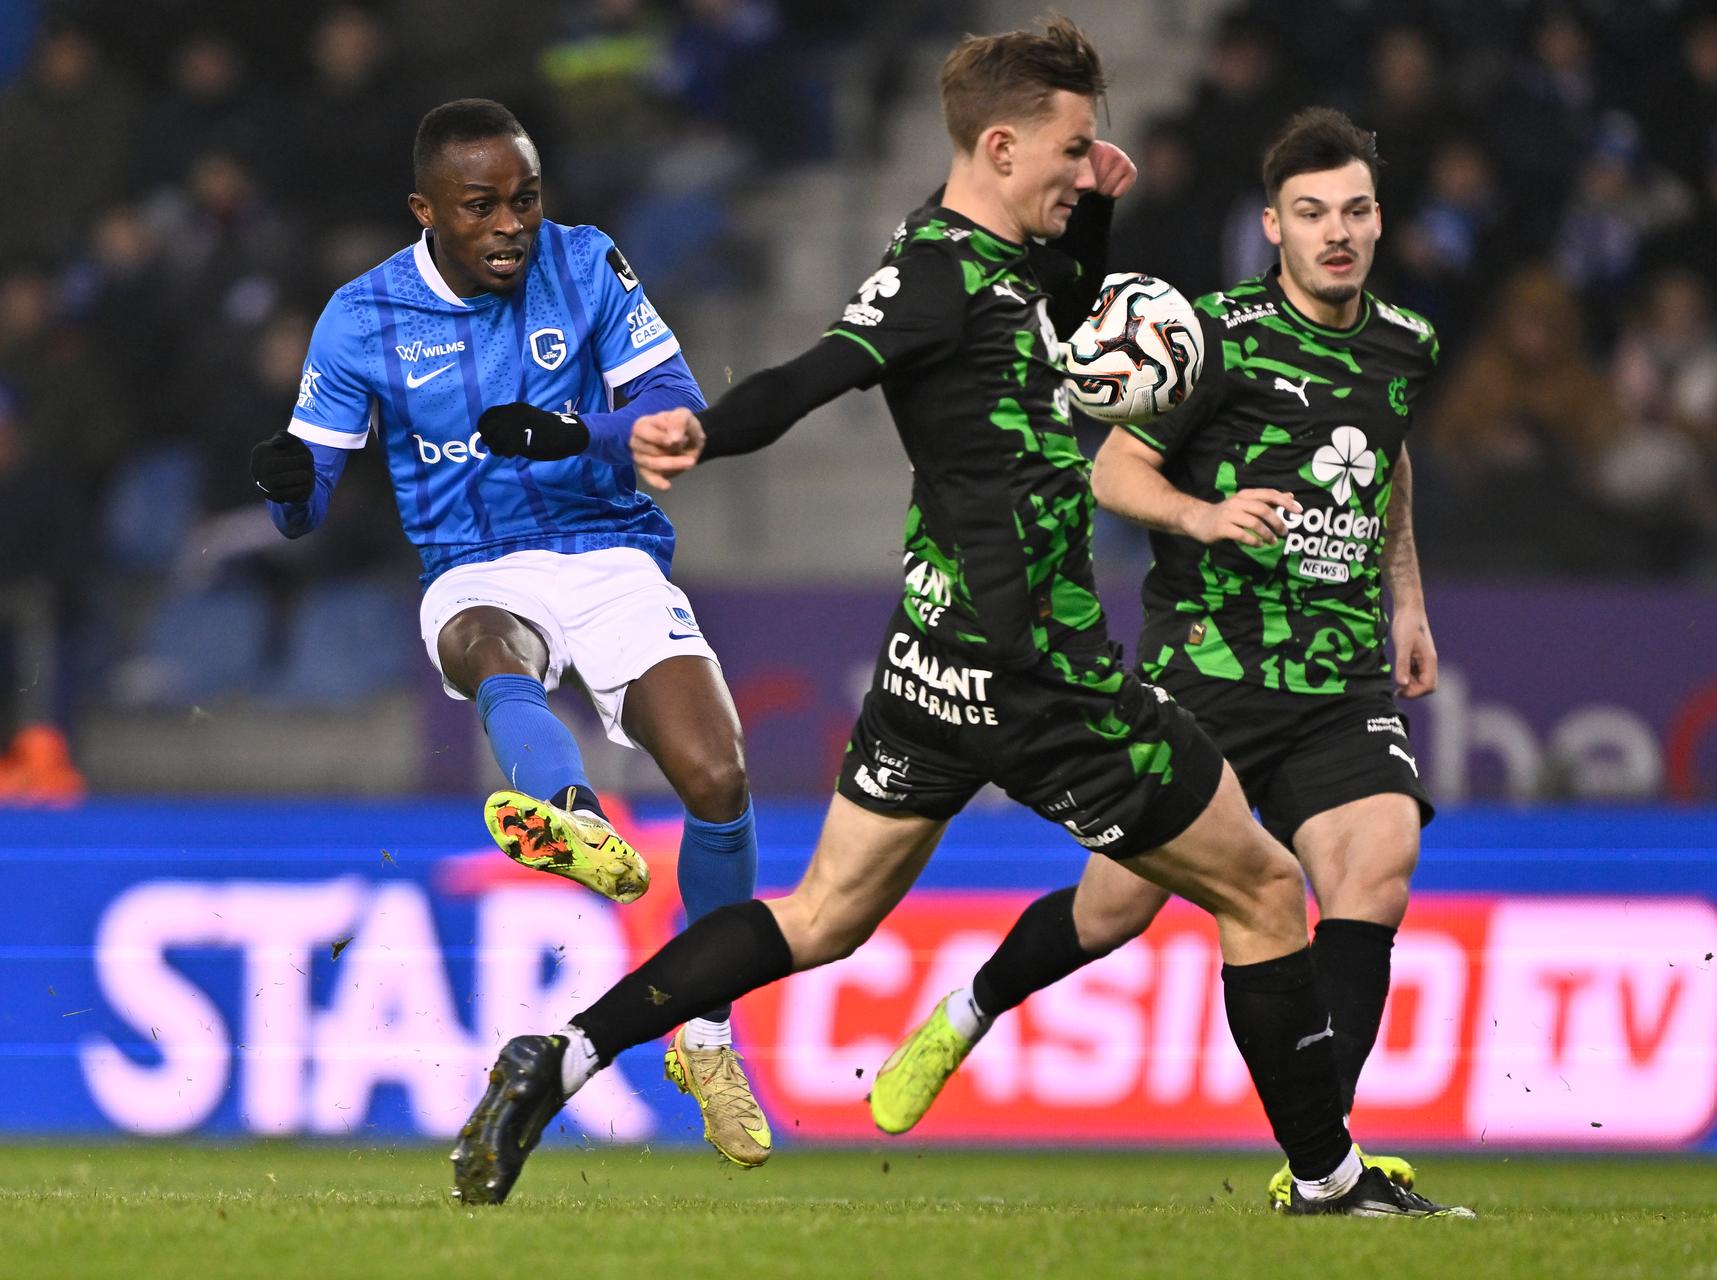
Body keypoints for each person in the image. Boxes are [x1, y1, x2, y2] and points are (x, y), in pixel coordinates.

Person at [449, 23, 1470, 1219]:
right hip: (1039, 667)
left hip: (931, 659)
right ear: (998, 144)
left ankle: (558, 1054)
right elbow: (817, 370)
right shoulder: (935, 270)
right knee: (1261, 890)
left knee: (822, 913)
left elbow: (1059, 306)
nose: (1087, 165)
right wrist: (702, 433)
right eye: (1072, 149)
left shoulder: (1001, 260)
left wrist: (1091, 215)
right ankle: (1328, 1178)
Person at [870, 107, 1446, 1210]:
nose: (1338, 233)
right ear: (1273, 227)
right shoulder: (1210, 334)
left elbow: (1388, 460)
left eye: (1357, 211)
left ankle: (1322, 1163)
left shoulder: (1405, 343)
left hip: (1339, 681)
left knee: (1376, 868)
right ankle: (970, 1009)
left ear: (1380, 223)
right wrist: (1206, 513)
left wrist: (1407, 601)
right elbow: (1113, 475)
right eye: (1313, 214)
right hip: (1207, 673)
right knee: (1111, 911)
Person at [247, 99, 771, 1169]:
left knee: (719, 777)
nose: (511, 225)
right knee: (493, 643)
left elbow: (675, 409)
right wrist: (290, 491)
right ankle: (572, 813)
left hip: (610, 549)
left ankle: (707, 1040)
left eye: (525, 198)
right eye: (481, 206)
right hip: (471, 567)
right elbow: (305, 497)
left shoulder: (587, 265)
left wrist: (583, 432)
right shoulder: (360, 316)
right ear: (425, 210)